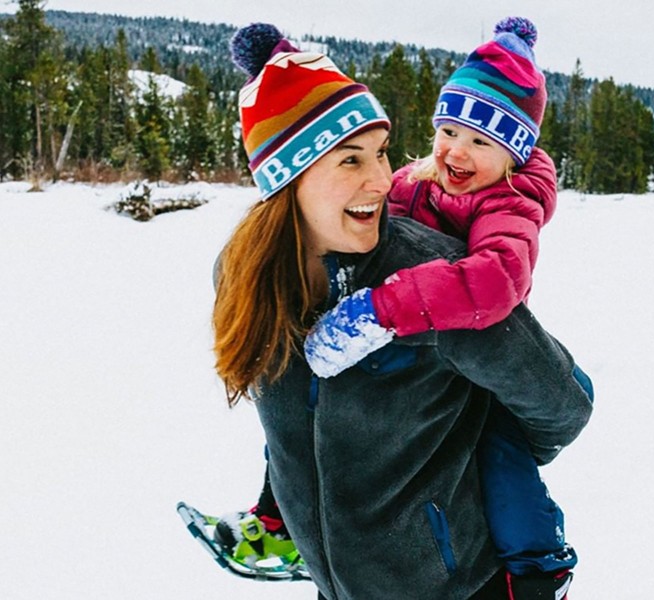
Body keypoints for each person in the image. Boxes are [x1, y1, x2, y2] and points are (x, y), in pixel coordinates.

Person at [211, 22, 593, 600]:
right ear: (286, 178)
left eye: (383, 153)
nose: (383, 179)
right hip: (337, 587)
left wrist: (467, 442)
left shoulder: (435, 276)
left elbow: (561, 404)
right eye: (350, 160)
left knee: (501, 450)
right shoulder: (244, 274)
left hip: (453, 589)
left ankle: (541, 564)